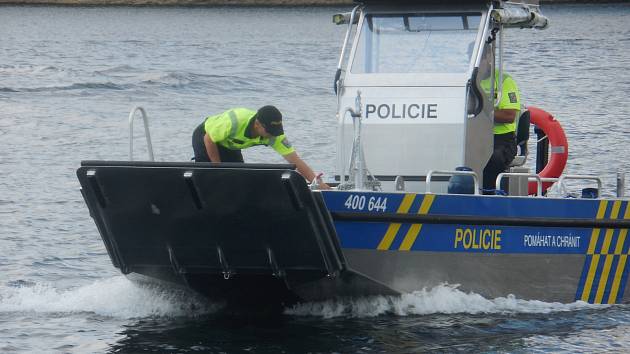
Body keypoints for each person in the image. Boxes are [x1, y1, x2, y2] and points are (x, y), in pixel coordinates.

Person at [192, 105, 330, 189]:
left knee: (238, 177)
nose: (272, 136)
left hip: (230, 145)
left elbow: (295, 160)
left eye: (275, 132)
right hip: (206, 137)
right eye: (270, 132)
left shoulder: (274, 135)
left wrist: (317, 183)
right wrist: (217, 167)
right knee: (213, 174)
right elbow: (208, 139)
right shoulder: (235, 121)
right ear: (257, 124)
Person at [482, 70, 521, 192]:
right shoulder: (468, 80)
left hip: (502, 140)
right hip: (475, 136)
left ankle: (487, 195)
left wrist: (483, 112)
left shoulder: (504, 81)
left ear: (489, 55)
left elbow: (509, 115)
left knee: (493, 158)